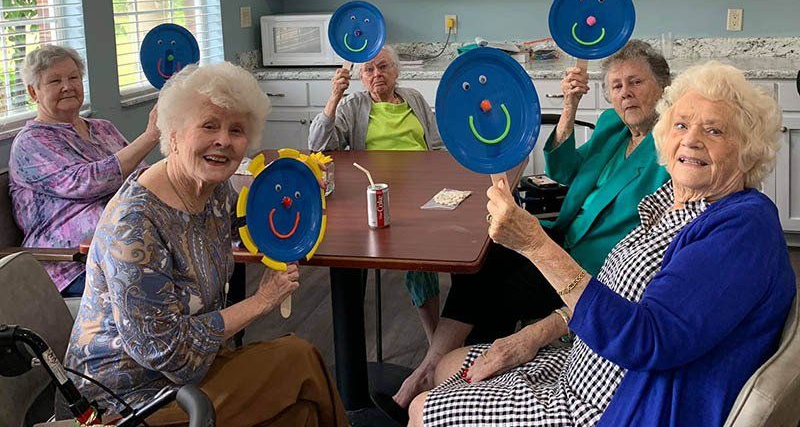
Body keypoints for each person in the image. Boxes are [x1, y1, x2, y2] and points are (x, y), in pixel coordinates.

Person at [409, 60, 796, 427]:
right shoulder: (672, 203)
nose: (691, 140)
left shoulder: (741, 227)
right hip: (583, 361)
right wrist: (537, 334)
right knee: (450, 365)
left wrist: (535, 244)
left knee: (424, 408)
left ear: (748, 149)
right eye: (680, 125)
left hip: (607, 405)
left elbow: (650, 340)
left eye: (714, 131)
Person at [63, 62, 348, 426]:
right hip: (127, 401)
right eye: (209, 125)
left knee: (302, 412)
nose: (224, 141)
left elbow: (250, 219)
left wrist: (302, 189)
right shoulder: (134, 224)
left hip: (194, 372)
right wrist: (261, 302)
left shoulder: (211, 193)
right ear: (175, 134)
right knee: (297, 358)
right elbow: (164, 350)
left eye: (237, 130)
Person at [394, 39, 672, 407]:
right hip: (563, 236)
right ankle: (434, 369)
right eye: (617, 86)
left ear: (664, 86)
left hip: (591, 270)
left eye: (636, 82)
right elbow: (564, 170)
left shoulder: (672, 148)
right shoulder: (612, 126)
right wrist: (569, 106)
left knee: (499, 293)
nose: (625, 94)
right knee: (486, 253)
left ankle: (452, 387)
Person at [309, 44, 444, 342]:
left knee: (423, 251)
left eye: (383, 67)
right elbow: (318, 145)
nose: (377, 74)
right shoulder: (353, 106)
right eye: (369, 70)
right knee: (364, 251)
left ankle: (437, 339)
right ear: (360, 77)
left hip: (421, 189)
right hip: (374, 192)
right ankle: (358, 336)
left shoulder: (415, 99)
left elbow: (436, 146)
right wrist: (334, 98)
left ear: (396, 71)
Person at [9, 45, 159, 296]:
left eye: (73, 77)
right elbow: (87, 182)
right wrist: (150, 137)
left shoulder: (103, 128)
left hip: (131, 248)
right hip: (73, 266)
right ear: (33, 92)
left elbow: (141, 178)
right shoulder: (31, 142)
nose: (67, 86)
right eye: (55, 81)